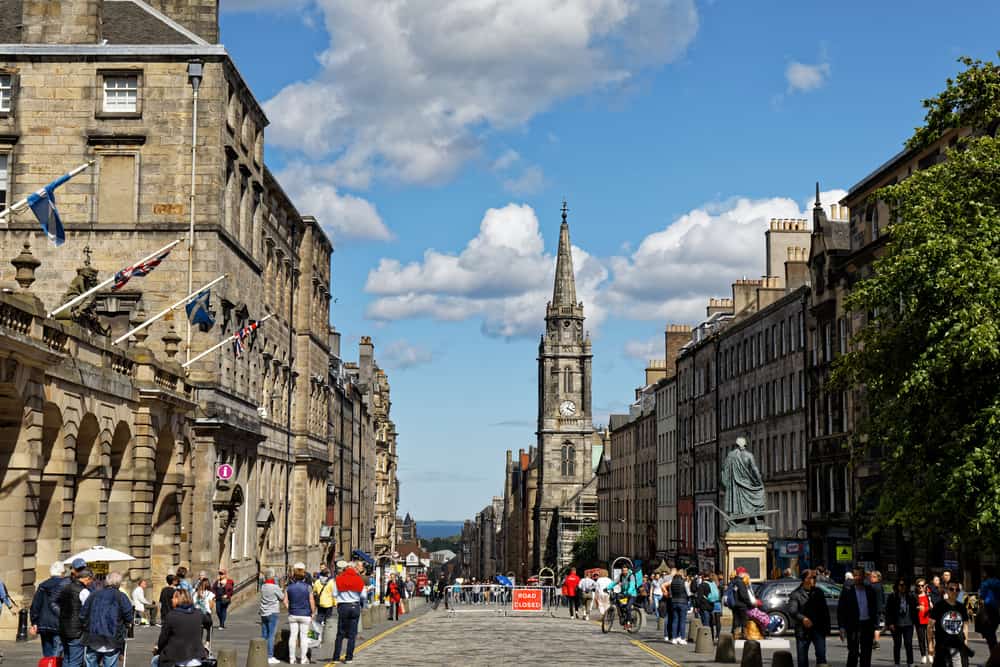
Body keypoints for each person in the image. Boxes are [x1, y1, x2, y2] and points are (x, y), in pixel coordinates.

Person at [80, 571, 134, 667]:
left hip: (93, 637)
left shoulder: (93, 594)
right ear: (118, 583)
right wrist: (127, 625)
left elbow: (83, 614)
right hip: (112, 638)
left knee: (91, 662)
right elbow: (129, 616)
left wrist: (86, 626)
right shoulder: (121, 596)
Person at [152, 587, 212, 667]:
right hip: (196, 657)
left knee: (155, 661)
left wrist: (158, 649)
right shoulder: (198, 613)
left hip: (176, 658)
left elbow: (163, 639)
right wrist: (206, 640)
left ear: (178, 599)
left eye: (173, 598)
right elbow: (209, 622)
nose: (171, 600)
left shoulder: (171, 616)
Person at [838, 565, 879, 667]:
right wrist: (842, 627)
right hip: (853, 625)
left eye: (860, 575)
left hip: (867, 625)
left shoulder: (869, 590)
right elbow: (841, 610)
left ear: (864, 576)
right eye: (855, 575)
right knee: (853, 653)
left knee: (866, 653)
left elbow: (874, 608)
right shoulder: (847, 591)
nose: (858, 578)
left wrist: (875, 625)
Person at [789, 569, 830, 667]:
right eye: (811, 578)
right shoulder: (796, 594)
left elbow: (825, 611)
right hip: (803, 631)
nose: (814, 580)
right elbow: (792, 611)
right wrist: (803, 619)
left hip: (818, 629)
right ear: (804, 580)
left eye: (815, 577)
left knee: (821, 658)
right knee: (802, 659)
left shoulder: (819, 592)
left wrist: (826, 628)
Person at [59, 564, 94, 667]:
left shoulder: (65, 587)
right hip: (77, 631)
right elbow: (87, 612)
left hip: (63, 628)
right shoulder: (84, 591)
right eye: (91, 580)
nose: (91, 582)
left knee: (67, 658)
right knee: (75, 661)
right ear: (87, 578)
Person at [30, 560, 67, 657]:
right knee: (57, 653)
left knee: (47, 653)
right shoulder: (65, 585)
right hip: (59, 623)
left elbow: (35, 605)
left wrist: (34, 622)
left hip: (44, 623)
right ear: (62, 573)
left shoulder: (43, 585)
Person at [332, 560, 367, 664]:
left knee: (340, 633)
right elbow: (364, 596)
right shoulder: (358, 579)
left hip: (343, 606)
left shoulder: (339, 579)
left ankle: (336, 657)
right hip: (355, 605)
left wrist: (342, 595)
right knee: (352, 634)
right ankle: (349, 658)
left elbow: (334, 594)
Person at [930, 580, 970, 667]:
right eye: (952, 589)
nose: (954, 592)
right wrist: (930, 644)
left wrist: (966, 641)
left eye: (957, 590)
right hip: (942, 645)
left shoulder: (961, 607)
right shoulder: (939, 606)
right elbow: (930, 626)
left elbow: (965, 625)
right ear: (947, 590)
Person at [285, 562, 315, 665]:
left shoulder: (289, 587)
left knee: (293, 636)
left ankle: (291, 659)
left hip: (293, 614)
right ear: (303, 577)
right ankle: (303, 659)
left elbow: (285, 601)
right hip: (305, 614)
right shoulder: (308, 587)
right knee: (304, 637)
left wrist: (290, 608)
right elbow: (311, 601)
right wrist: (313, 612)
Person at [887, 577, 919, 667]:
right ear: (897, 586)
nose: (902, 587)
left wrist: (918, 608)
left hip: (908, 623)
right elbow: (888, 611)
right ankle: (897, 663)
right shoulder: (892, 596)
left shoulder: (911, 596)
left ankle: (910, 662)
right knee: (897, 644)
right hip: (896, 624)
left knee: (908, 643)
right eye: (900, 585)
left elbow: (916, 607)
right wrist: (890, 623)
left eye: (904, 585)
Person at [259, 568, 285, 665]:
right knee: (271, 635)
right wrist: (280, 588)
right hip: (272, 612)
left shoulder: (263, 586)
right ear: (272, 576)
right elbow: (282, 597)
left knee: (264, 634)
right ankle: (269, 655)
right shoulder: (274, 587)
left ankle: (262, 654)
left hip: (263, 612)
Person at [607, 564, 638, 631]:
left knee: (627, 607)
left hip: (632, 594)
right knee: (619, 604)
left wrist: (629, 592)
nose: (624, 572)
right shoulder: (621, 576)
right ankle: (623, 619)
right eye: (623, 570)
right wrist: (607, 588)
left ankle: (629, 623)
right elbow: (614, 582)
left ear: (627, 570)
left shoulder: (631, 576)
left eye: (625, 570)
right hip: (624, 593)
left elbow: (632, 585)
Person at [977, 568, 1000, 653]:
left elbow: (982, 596)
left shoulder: (985, 583)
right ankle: (994, 656)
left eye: (984, 572)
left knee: (990, 636)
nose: (983, 574)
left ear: (987, 573)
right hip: (996, 610)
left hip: (987, 610)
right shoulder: (998, 582)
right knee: (992, 633)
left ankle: (994, 656)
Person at [668, 570, 689, 645]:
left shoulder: (672, 582)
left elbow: (670, 593)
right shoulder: (684, 582)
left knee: (675, 620)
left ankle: (674, 638)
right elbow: (688, 593)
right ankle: (682, 638)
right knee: (682, 621)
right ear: (682, 575)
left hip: (674, 602)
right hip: (683, 602)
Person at [193, 577, 215, 643]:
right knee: (210, 628)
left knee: (200, 628)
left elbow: (193, 604)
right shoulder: (210, 594)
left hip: (196, 615)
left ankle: (199, 643)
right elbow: (211, 606)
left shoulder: (195, 594)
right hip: (206, 615)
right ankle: (207, 644)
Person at [917, 578, 932, 664]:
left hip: (928, 620)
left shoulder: (928, 595)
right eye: (918, 586)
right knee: (921, 639)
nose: (920, 587)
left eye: (922, 585)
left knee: (929, 639)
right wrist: (917, 608)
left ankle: (930, 654)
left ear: (925, 586)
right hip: (919, 621)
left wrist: (926, 608)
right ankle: (923, 655)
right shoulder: (915, 596)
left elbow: (932, 607)